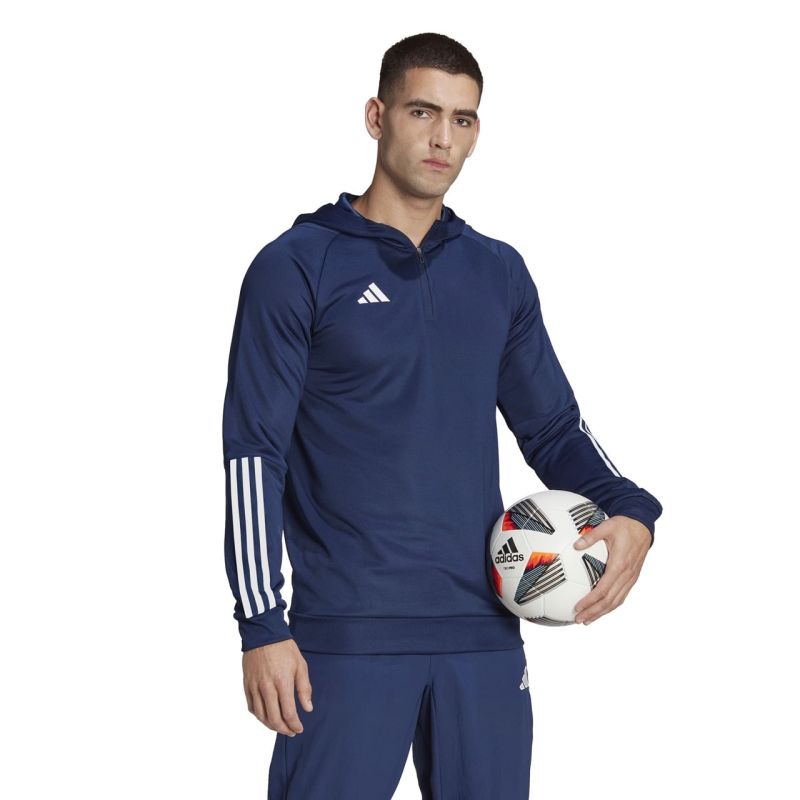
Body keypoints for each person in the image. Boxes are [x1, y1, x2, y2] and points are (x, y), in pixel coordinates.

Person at [221, 32, 662, 799]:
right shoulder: (296, 266)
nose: (441, 139)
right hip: (347, 638)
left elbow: (553, 429)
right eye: (422, 112)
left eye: (462, 119)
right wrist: (262, 623)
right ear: (377, 116)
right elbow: (254, 452)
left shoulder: (497, 272)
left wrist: (631, 511)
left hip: (482, 633)